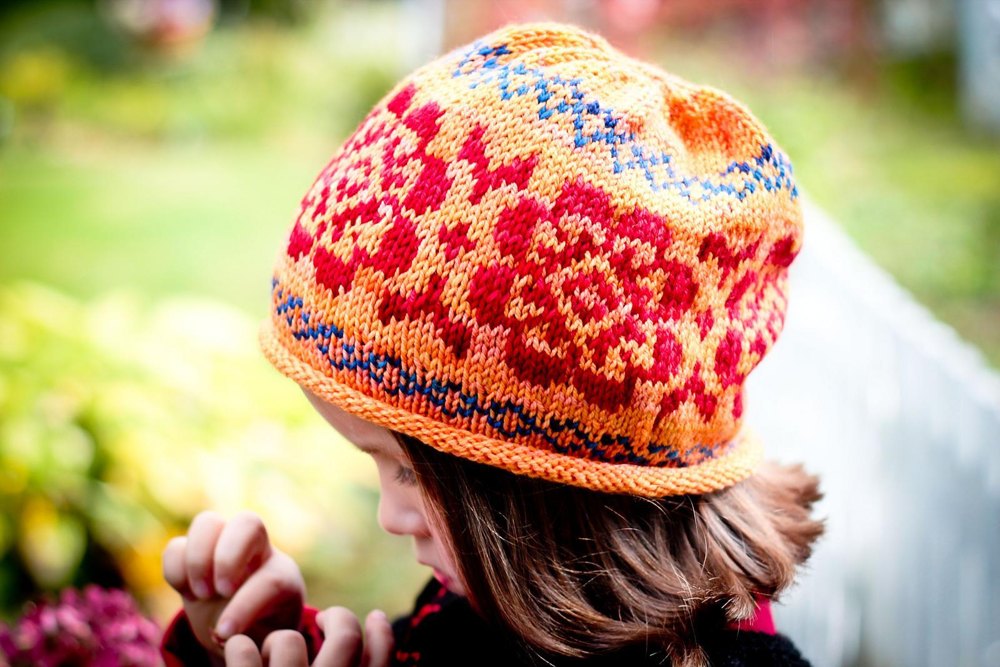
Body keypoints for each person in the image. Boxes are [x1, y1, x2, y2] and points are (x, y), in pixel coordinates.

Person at [161, 22, 824, 667]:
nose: (393, 517)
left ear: (556, 481)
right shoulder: (489, 612)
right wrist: (255, 638)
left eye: (408, 468)